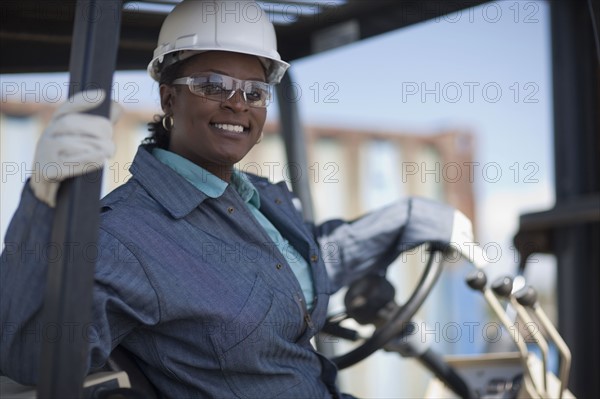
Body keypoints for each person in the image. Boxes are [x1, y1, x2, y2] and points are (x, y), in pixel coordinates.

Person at [0, 1, 483, 397]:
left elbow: (306, 262)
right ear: (169, 99)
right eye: (213, 86)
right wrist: (40, 207)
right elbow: (32, 358)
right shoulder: (126, 235)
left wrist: (407, 220)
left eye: (255, 91)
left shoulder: (262, 199)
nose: (237, 103)